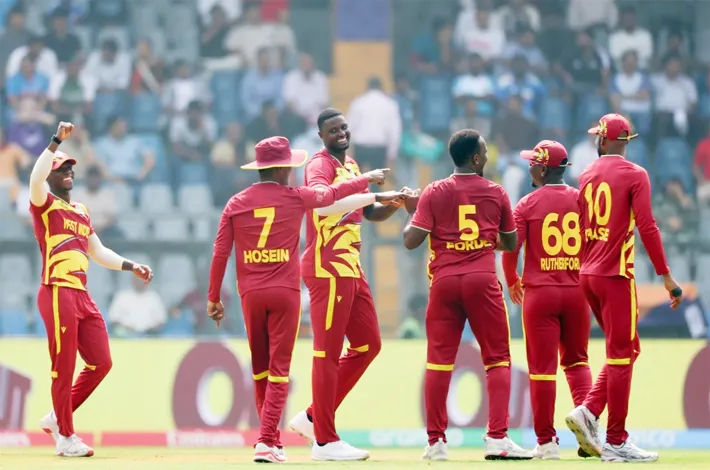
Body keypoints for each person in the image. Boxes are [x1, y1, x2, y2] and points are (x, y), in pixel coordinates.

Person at [206, 135, 405, 463]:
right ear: (284, 168)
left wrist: (213, 297)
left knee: (260, 369)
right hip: (285, 292)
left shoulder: (236, 203)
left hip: (250, 293)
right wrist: (369, 181)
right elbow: (331, 195)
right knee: (279, 371)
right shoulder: (295, 196)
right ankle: (268, 441)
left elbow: (220, 252)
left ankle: (269, 440)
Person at [401, 129, 532, 461]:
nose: (487, 156)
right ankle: (497, 438)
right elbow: (511, 243)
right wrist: (483, 239)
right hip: (481, 281)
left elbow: (411, 241)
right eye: (484, 152)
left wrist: (413, 211)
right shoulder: (495, 192)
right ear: (475, 158)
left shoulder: (434, 191)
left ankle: (435, 443)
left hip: (444, 282)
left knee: (438, 361)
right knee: (498, 359)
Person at [288, 108, 408, 461]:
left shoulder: (352, 166)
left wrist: (394, 202)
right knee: (326, 354)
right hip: (327, 268)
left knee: (368, 344)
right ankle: (325, 441)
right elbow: (322, 205)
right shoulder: (319, 165)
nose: (341, 133)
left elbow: (368, 213)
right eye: (333, 130)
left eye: (343, 127)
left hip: (351, 267)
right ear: (321, 136)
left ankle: (313, 417)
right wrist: (370, 187)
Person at [29, 122, 153, 457]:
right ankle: (66, 437)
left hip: (81, 295)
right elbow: (35, 179)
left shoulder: (81, 211)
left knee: (101, 362)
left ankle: (57, 417)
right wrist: (55, 141)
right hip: (57, 290)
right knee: (64, 365)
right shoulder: (44, 204)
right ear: (51, 175)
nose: (68, 172)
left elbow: (97, 251)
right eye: (61, 169)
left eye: (70, 168)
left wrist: (131, 265)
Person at [566, 114, 683, 463]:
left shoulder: (586, 174)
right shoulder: (636, 174)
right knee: (621, 355)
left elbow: (582, 225)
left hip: (588, 274)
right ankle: (616, 440)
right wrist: (665, 276)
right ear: (626, 142)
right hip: (615, 275)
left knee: (628, 349)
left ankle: (588, 411)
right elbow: (647, 226)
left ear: (603, 140)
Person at [500, 140, 593, 460]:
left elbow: (511, 248)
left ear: (542, 169)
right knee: (578, 362)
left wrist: (512, 280)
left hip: (540, 294)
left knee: (542, 370)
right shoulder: (582, 199)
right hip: (577, 291)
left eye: (532, 164)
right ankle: (590, 431)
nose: (529, 168)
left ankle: (547, 442)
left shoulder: (527, 204)